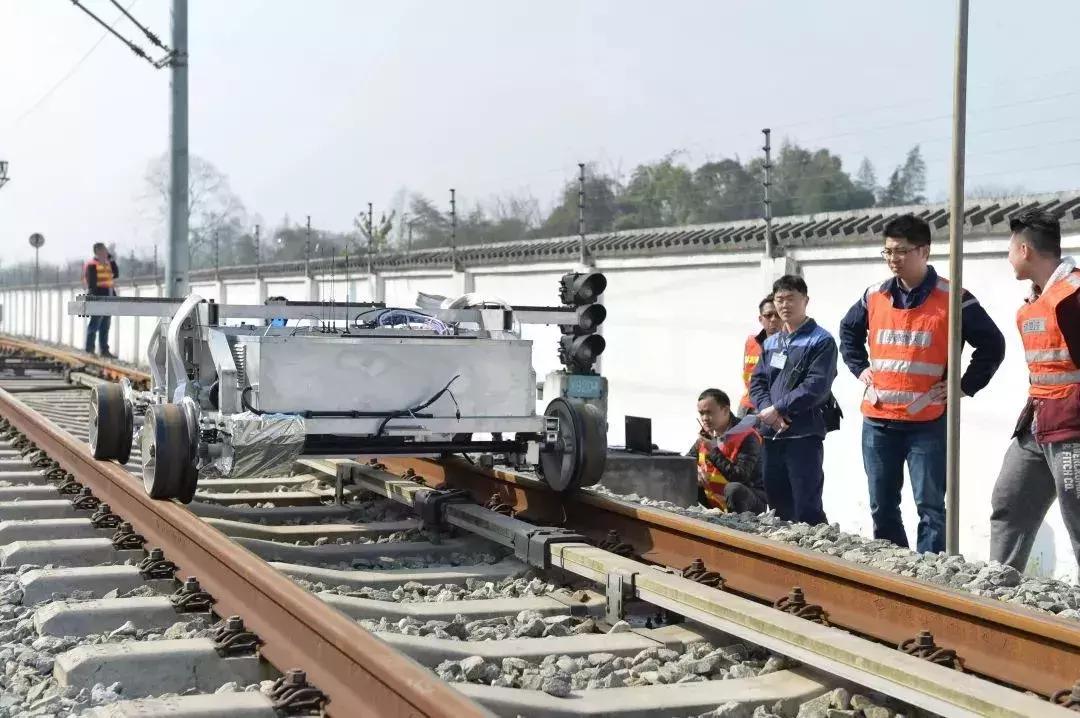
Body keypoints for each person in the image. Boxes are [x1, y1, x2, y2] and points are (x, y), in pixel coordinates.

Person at [839, 214, 1005, 554]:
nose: (893, 259)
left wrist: (962, 387)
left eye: (901, 251)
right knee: (881, 505)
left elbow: (992, 344)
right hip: (879, 419)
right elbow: (848, 333)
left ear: (924, 251)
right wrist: (860, 369)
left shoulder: (953, 297)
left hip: (927, 423)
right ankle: (892, 565)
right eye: (887, 252)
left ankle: (929, 574)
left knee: (930, 508)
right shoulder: (874, 296)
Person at [989, 210, 1080, 574]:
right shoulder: (1037, 301)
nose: (1009, 258)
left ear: (1025, 250)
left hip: (1073, 429)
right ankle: (997, 588)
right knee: (1009, 502)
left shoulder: (1072, 297)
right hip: (1037, 425)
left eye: (1010, 250)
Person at [749, 274, 837, 524]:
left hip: (804, 433)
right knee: (777, 502)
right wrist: (768, 410)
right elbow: (758, 382)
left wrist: (778, 408)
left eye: (791, 298)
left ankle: (815, 556)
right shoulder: (772, 342)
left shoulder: (821, 340)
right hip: (772, 434)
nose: (784, 305)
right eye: (780, 300)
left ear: (805, 300)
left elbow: (816, 386)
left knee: (806, 503)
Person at [687, 388, 768, 513]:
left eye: (709, 413)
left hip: (748, 500)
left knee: (734, 488)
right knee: (685, 477)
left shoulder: (747, 436)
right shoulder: (706, 435)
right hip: (714, 499)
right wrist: (694, 471)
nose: (704, 418)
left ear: (725, 410)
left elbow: (739, 476)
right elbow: (685, 461)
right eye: (701, 413)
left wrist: (713, 450)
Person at [738, 295, 782, 416]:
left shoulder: (789, 345)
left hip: (769, 408)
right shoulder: (751, 341)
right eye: (768, 315)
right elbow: (746, 370)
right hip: (746, 406)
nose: (773, 319)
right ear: (760, 319)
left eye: (777, 315)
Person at [83, 242, 118, 357]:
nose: (105, 252)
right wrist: (93, 298)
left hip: (109, 296)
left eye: (106, 250)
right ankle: (89, 349)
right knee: (95, 324)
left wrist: (111, 260)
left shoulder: (108, 263)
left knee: (105, 325)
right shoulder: (92, 264)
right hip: (98, 297)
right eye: (103, 250)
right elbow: (91, 284)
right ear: (97, 252)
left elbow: (116, 274)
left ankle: (104, 350)